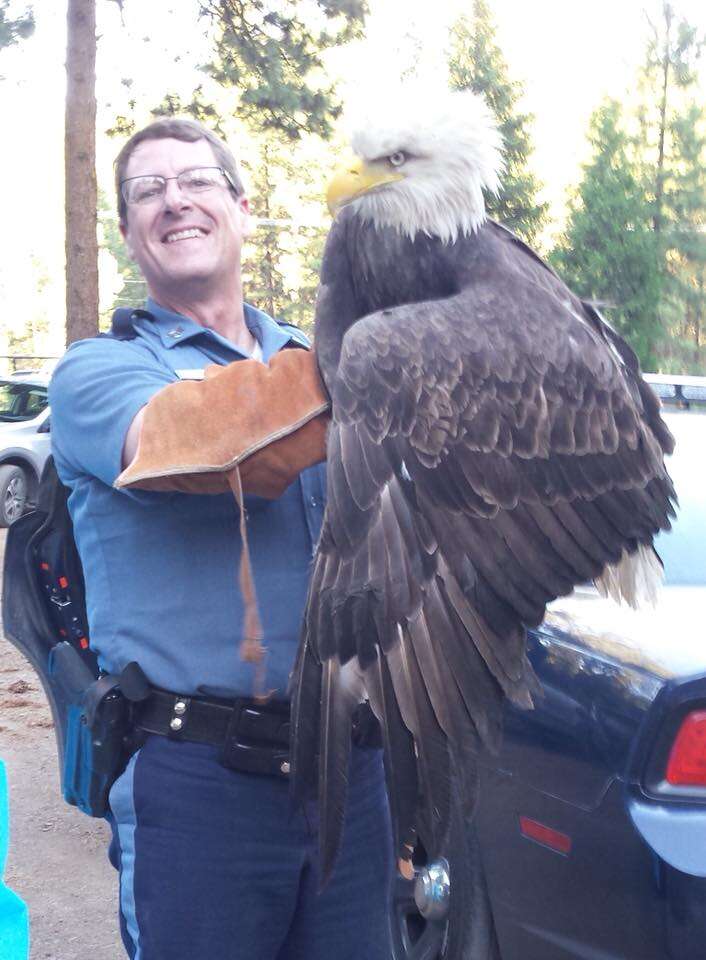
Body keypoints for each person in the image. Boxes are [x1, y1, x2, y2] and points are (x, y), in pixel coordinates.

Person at [49, 117, 393, 960]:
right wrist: (387, 357)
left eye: (196, 181)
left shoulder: (316, 354)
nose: (174, 201)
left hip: (353, 771)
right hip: (197, 783)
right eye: (147, 192)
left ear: (242, 208)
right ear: (130, 235)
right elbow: (196, 445)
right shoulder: (97, 372)